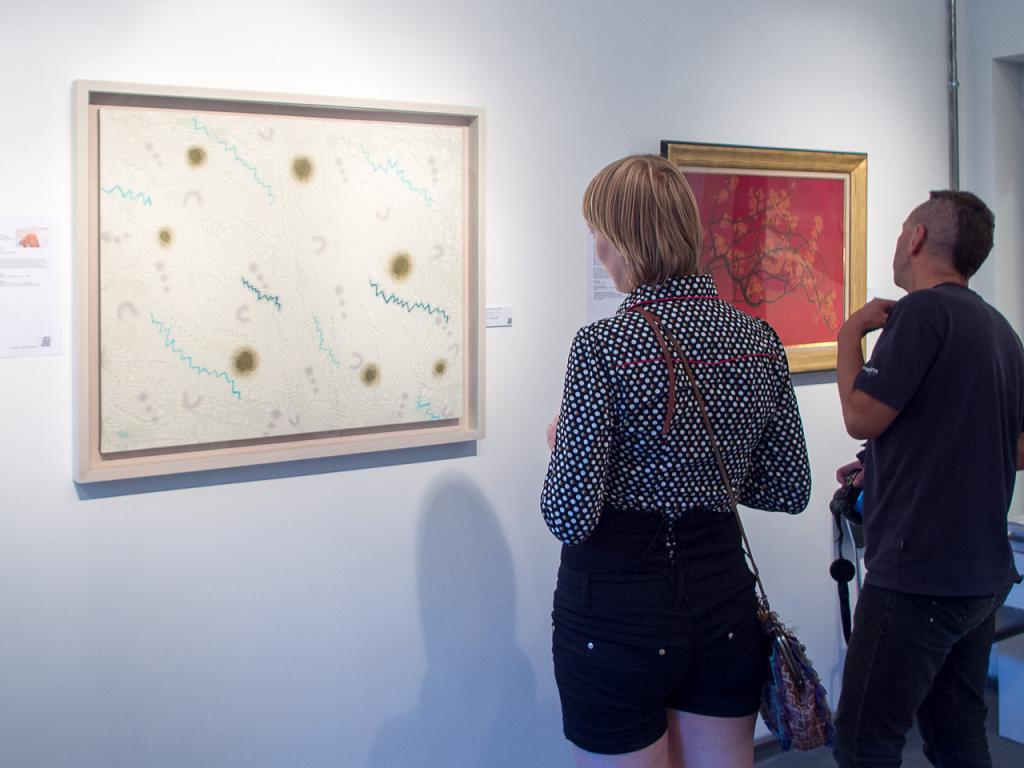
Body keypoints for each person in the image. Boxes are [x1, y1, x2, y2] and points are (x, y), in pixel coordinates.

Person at [540, 154, 811, 768]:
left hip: (617, 611)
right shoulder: (756, 338)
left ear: (619, 240)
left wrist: (566, 449)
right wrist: (707, 474)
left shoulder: (604, 344)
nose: (597, 250)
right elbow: (788, 488)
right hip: (723, 599)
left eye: (597, 233)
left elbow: (569, 516)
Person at [833, 190, 1024, 767]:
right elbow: (1013, 448)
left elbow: (859, 416)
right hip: (981, 574)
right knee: (957, 732)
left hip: (918, 577)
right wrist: (894, 462)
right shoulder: (998, 328)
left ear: (916, 237)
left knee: (864, 741)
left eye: (901, 231)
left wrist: (849, 334)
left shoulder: (921, 313)